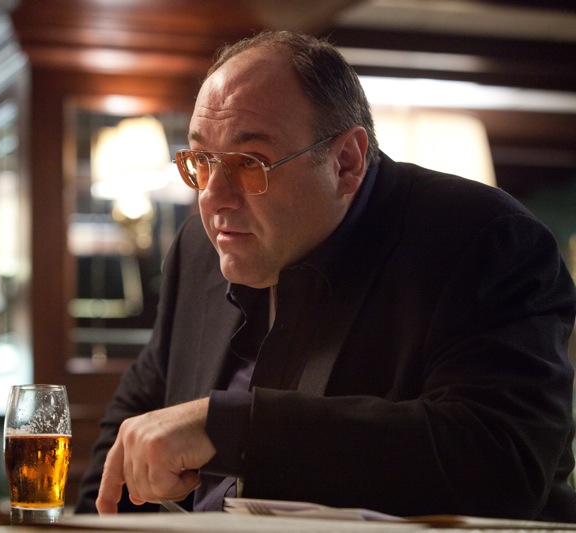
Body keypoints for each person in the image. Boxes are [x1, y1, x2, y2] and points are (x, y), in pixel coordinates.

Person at [74, 30, 576, 521]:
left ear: (346, 162)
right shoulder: (199, 248)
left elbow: (502, 460)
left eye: (249, 162)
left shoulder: (483, 238)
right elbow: (133, 421)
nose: (213, 197)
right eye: (202, 162)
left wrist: (235, 426)